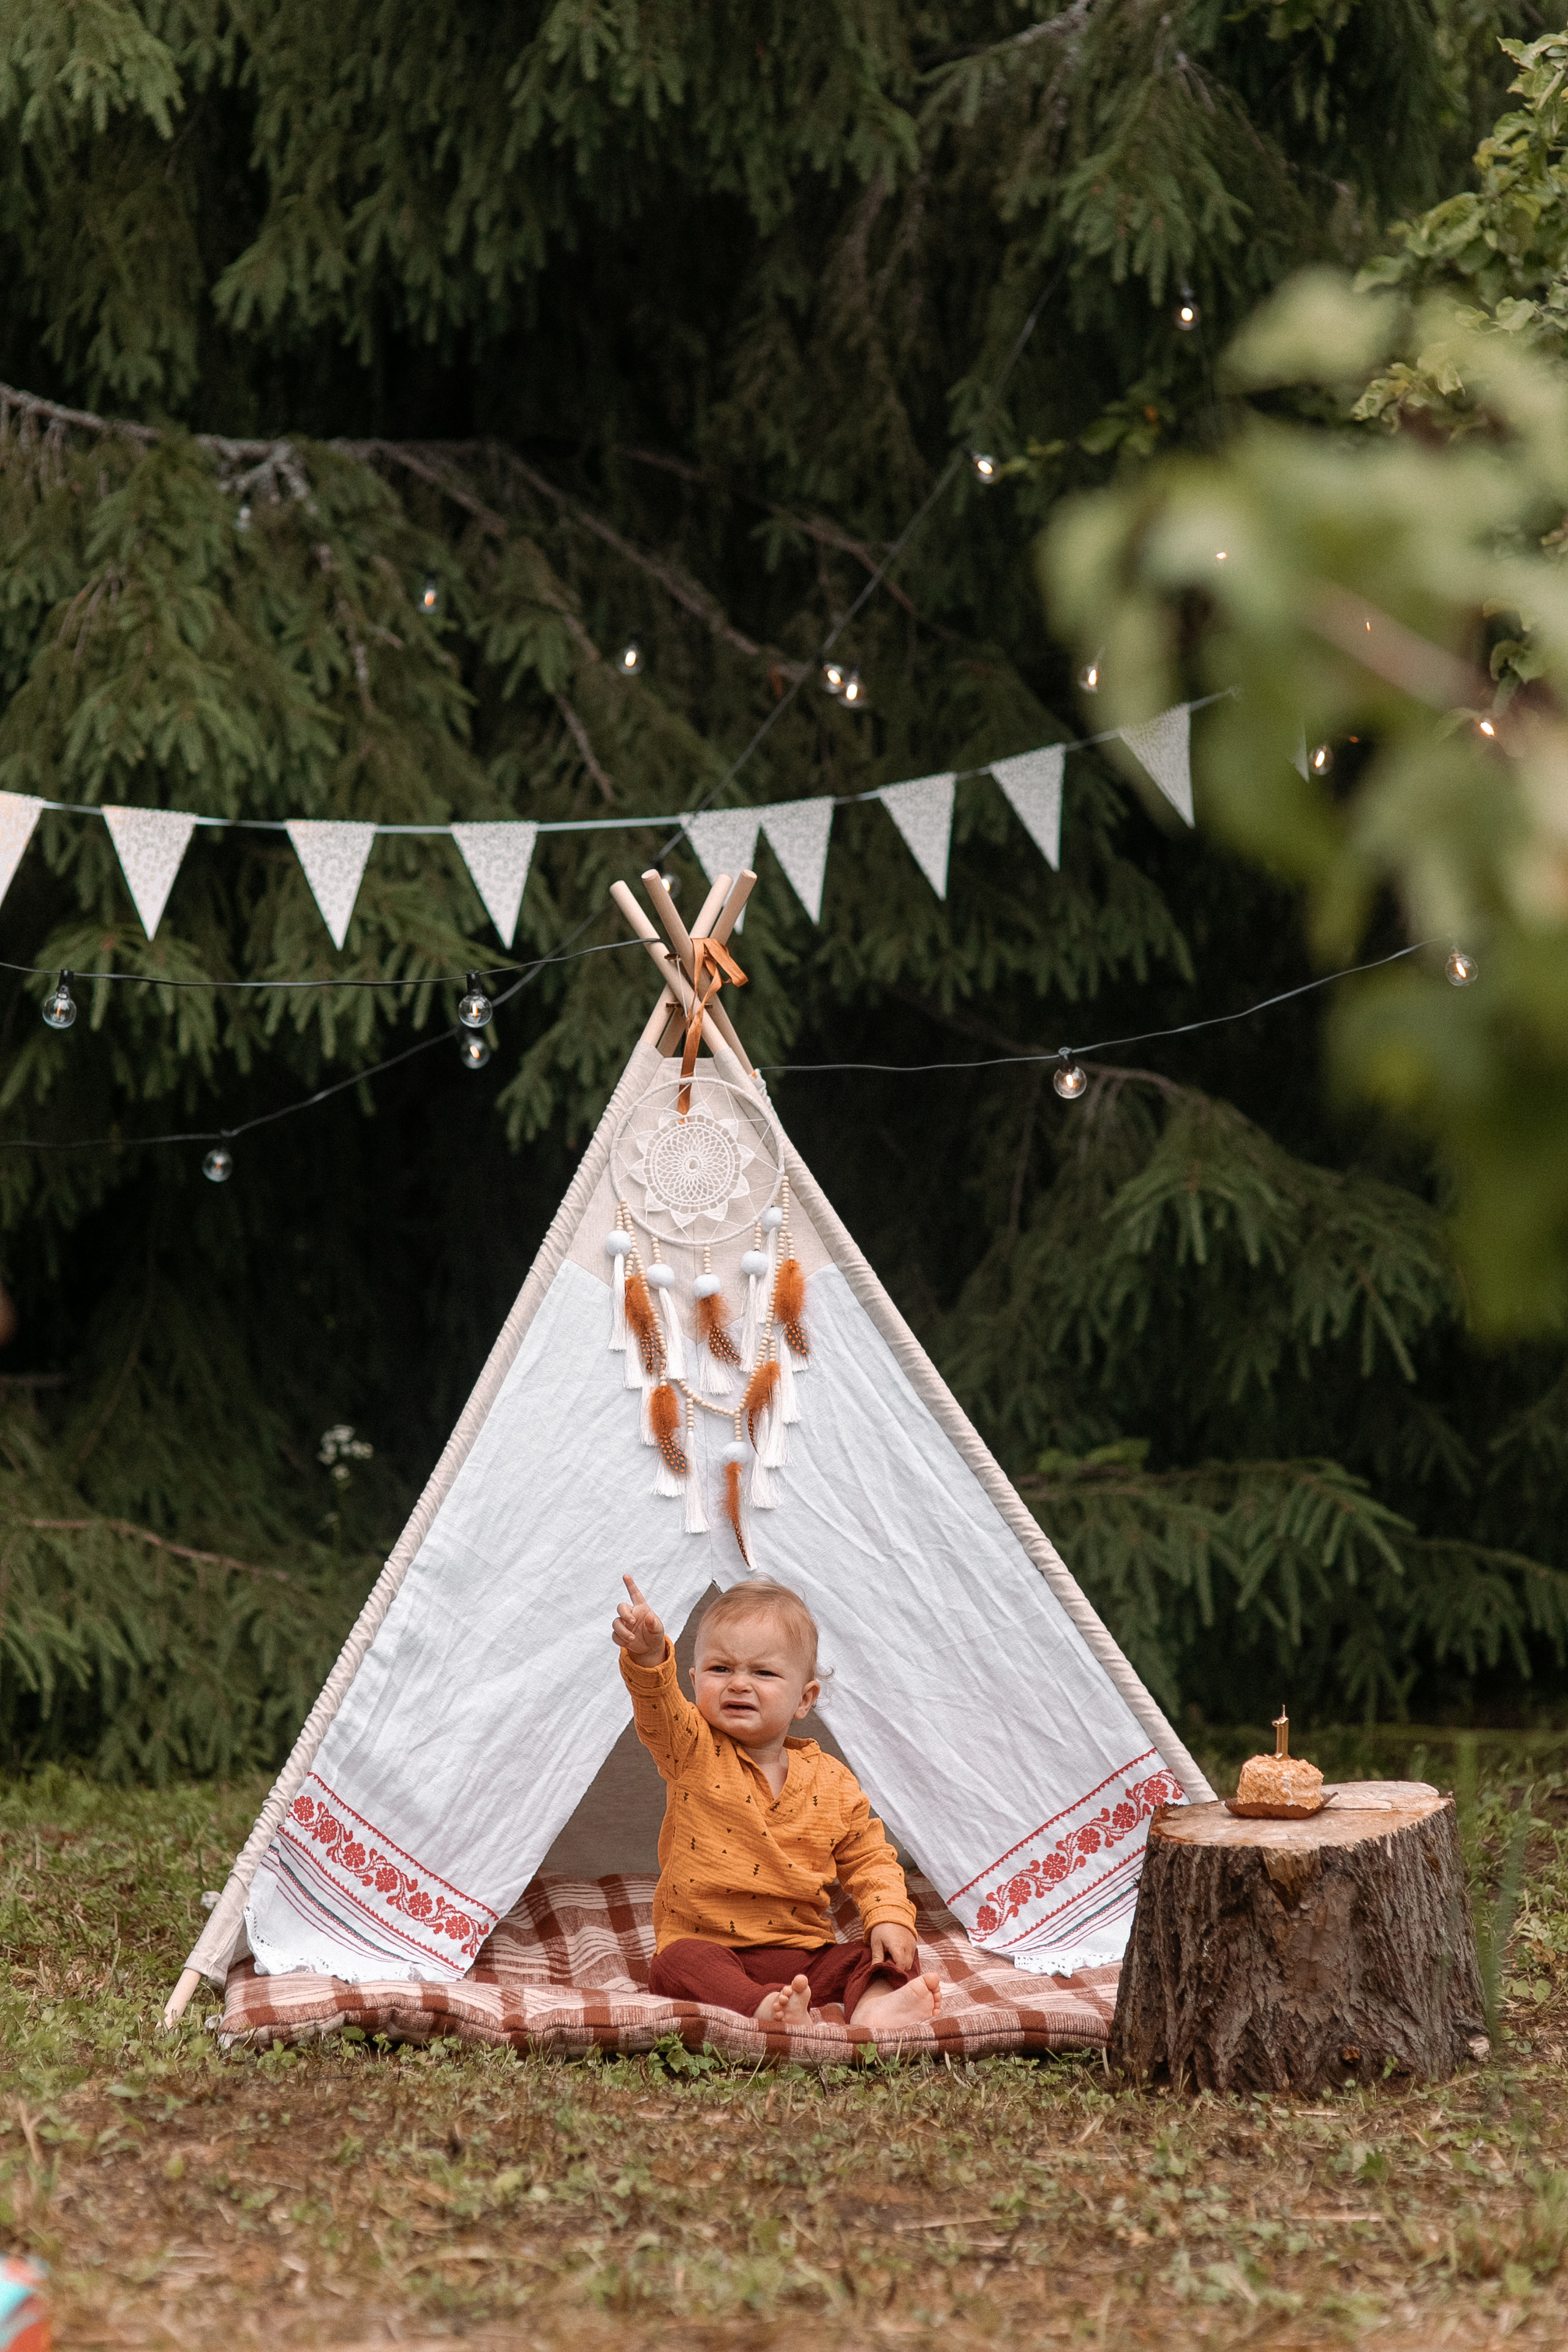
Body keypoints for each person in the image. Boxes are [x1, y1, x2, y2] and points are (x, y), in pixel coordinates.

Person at [612, 1572, 941, 2030]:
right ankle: (762, 2008)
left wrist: (888, 1916)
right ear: (694, 1680)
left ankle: (875, 2005)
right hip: (708, 1944)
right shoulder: (691, 1748)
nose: (739, 1684)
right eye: (720, 1669)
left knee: (884, 1953)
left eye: (763, 1673)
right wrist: (648, 1656)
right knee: (674, 1965)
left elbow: (871, 1860)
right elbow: (658, 1707)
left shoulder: (832, 1781)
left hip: (804, 1954)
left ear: (804, 1699)